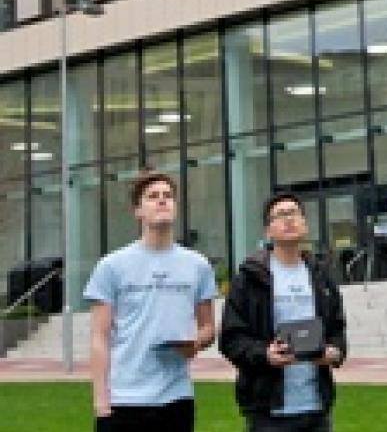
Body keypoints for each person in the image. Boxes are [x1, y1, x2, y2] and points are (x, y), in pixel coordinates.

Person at [84, 170, 217, 432]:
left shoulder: (198, 265)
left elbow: (208, 327)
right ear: (138, 211)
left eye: (168, 195)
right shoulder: (111, 265)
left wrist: (196, 342)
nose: (162, 200)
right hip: (124, 399)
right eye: (153, 196)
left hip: (176, 398)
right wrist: (100, 401)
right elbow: (99, 337)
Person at [219, 192, 347, 431]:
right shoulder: (250, 278)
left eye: (294, 213)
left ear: (305, 224)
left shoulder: (321, 276)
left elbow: (337, 329)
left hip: (316, 409)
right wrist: (265, 354)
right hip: (268, 410)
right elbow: (231, 339)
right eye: (280, 215)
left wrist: (334, 352)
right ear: (268, 231)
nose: (289, 219)